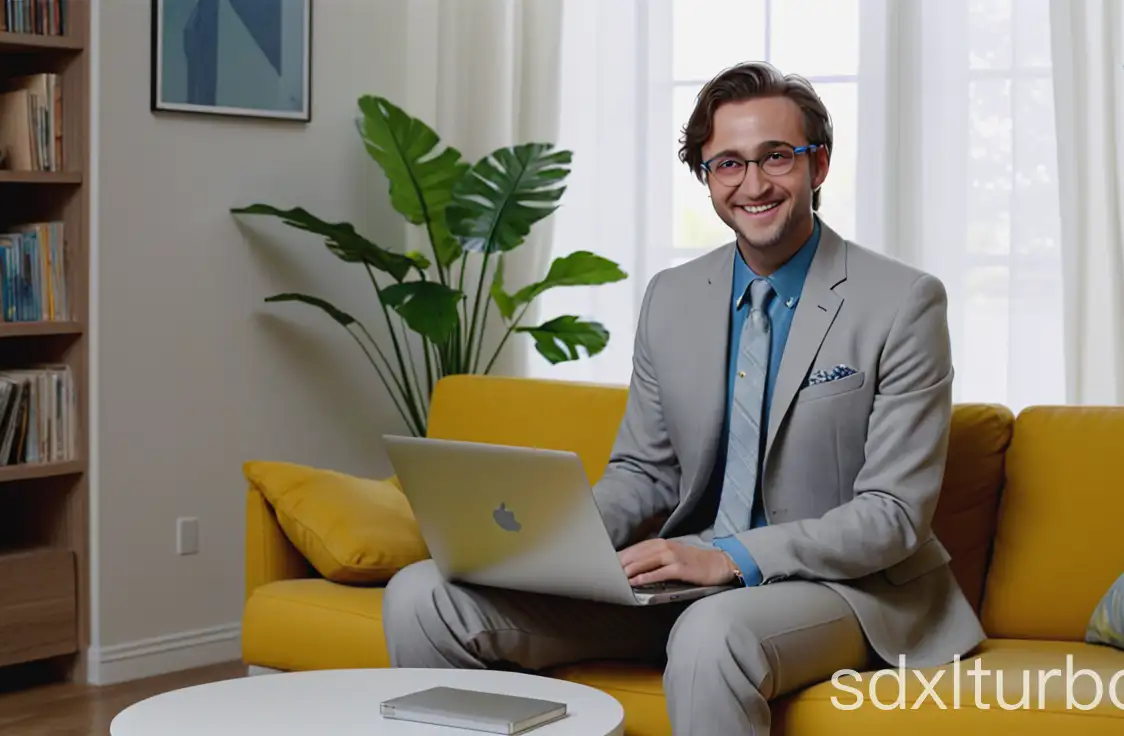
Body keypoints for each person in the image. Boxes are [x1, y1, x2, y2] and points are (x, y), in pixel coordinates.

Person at [381, 60, 986, 735]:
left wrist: (730, 558)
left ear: (818, 166)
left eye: (776, 158)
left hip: (845, 591)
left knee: (710, 632)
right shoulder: (671, 297)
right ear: (705, 177)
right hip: (684, 584)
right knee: (422, 595)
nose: (753, 184)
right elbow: (646, 470)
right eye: (727, 164)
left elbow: (893, 515)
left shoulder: (903, 302)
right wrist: (562, 546)